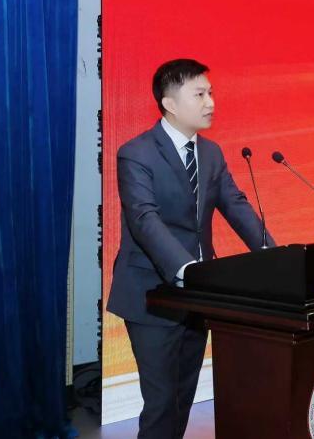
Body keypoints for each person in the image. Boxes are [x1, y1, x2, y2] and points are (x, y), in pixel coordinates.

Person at [106, 58, 273, 438]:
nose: (210, 102)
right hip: (152, 295)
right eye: (199, 94)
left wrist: (275, 256)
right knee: (162, 402)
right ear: (169, 103)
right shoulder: (136, 153)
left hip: (198, 298)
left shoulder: (211, 153)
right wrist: (188, 270)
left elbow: (237, 207)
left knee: (182, 397)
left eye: (210, 93)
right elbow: (144, 219)